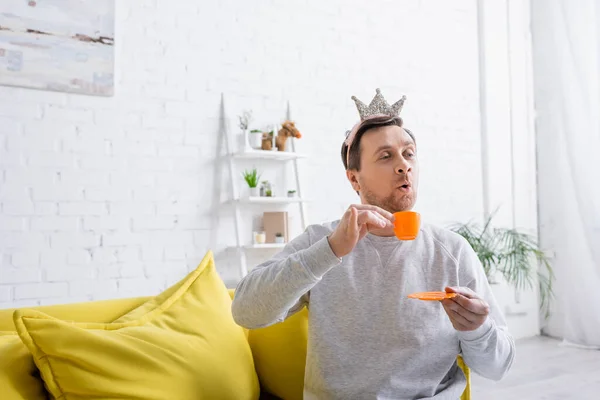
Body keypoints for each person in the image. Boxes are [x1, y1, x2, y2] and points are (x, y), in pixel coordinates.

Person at [232, 88, 515, 399]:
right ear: (354, 180)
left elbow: (497, 367)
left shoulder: (452, 251)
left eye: (409, 153)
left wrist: (478, 329)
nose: (404, 165)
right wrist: (330, 251)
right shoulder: (321, 242)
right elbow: (245, 311)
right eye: (385, 156)